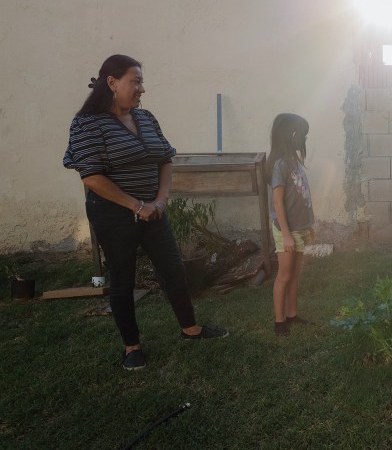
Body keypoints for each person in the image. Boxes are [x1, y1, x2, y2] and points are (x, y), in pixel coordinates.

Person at [63, 54, 227, 371]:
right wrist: (136, 206)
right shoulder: (87, 124)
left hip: (153, 210)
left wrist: (160, 201)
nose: (142, 88)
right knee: (123, 279)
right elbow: (92, 176)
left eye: (141, 81)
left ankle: (190, 328)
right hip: (114, 215)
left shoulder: (146, 118)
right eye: (135, 81)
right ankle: (132, 347)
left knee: (174, 269)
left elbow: (165, 158)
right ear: (111, 83)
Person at [264, 113, 315, 337]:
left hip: (301, 228)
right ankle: (279, 321)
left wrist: (308, 225)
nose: (305, 138)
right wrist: (285, 235)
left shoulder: (294, 160)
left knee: (294, 274)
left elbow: (302, 196)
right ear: (292, 134)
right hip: (287, 230)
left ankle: (292, 315)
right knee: (284, 275)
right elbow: (277, 202)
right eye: (303, 134)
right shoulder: (280, 165)